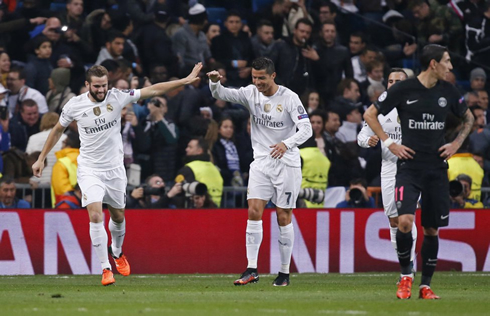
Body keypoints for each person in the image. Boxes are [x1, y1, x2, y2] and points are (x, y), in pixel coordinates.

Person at [32, 62, 202, 286]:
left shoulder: (118, 96)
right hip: (90, 169)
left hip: (114, 170)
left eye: (104, 86)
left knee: (118, 216)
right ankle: (105, 269)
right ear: (87, 85)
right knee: (95, 215)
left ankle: (117, 251)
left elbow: (153, 90)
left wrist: (184, 80)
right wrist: (41, 157)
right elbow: (57, 130)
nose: (101, 90)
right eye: (96, 86)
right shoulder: (74, 105)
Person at [364, 44, 474, 300]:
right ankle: (405, 277)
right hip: (409, 168)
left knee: (431, 230)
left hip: (436, 169)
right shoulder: (403, 89)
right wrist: (389, 143)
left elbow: (469, 118)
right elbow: (370, 114)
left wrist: (456, 144)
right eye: (447, 61)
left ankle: (425, 286)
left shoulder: (448, 91)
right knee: (404, 221)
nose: (451, 66)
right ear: (433, 64)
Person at [207, 57, 312, 286]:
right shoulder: (250, 93)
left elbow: (307, 129)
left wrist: (287, 143)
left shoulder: (290, 98)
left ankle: (284, 273)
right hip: (261, 162)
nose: (258, 82)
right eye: (254, 78)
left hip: (287, 164)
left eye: (262, 78)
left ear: (273, 76)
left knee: (283, 216)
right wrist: (215, 83)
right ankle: (251, 269)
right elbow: (221, 94)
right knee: (254, 211)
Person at [357, 68, 418, 278]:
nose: (393, 84)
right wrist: (368, 140)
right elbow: (361, 137)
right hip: (389, 167)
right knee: (393, 220)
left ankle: (408, 267)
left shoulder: (418, 107)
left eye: (398, 81)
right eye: (390, 81)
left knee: (406, 218)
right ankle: (405, 264)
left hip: (411, 169)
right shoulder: (379, 110)